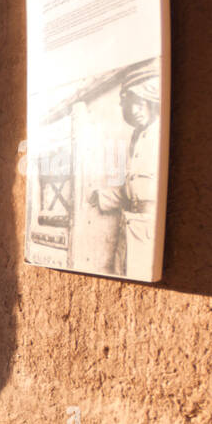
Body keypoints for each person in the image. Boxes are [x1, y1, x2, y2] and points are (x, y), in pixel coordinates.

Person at [90, 64, 161, 278]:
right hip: (130, 228)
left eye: (141, 104)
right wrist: (102, 196)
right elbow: (132, 188)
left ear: (152, 101)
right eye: (132, 105)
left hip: (150, 230)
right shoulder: (138, 136)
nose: (136, 111)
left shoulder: (160, 134)